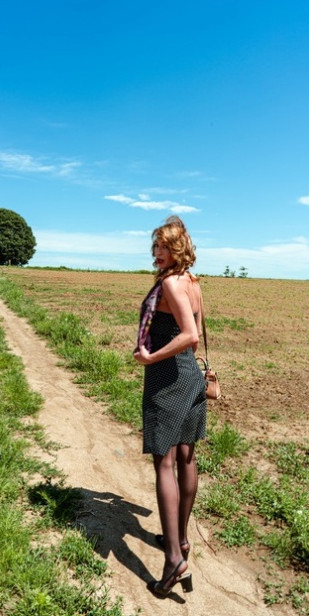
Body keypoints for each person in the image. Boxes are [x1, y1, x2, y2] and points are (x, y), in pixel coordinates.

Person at [134, 215, 206, 596]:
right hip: (190, 376)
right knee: (185, 458)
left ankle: (174, 562)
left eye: (164, 246)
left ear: (178, 248)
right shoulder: (192, 282)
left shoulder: (171, 284)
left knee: (165, 460)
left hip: (168, 378)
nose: (157, 252)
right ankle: (179, 541)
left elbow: (189, 335)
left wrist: (150, 358)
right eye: (155, 246)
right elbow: (195, 340)